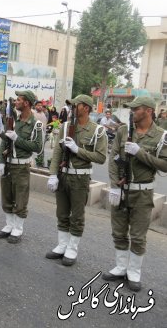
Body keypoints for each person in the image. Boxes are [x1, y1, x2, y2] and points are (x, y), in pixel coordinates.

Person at [102, 97, 167, 292]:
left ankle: (134, 272)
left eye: (135, 109)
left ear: (148, 111)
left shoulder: (161, 136)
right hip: (121, 191)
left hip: (142, 193)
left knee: (138, 236)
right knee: (119, 231)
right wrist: (114, 185)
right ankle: (121, 267)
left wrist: (140, 153)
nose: (132, 112)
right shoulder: (123, 131)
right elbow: (113, 159)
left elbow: (165, 165)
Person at [46, 95, 107, 265]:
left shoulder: (97, 131)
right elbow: (58, 152)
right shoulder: (66, 127)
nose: (72, 108)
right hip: (63, 174)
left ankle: (72, 248)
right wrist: (52, 174)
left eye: (76, 105)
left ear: (86, 108)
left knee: (77, 215)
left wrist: (77, 150)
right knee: (62, 212)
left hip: (80, 177)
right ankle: (62, 245)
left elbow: (101, 157)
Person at [0, 90, 43, 243]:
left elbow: (37, 147)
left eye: (19, 100)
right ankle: (9, 225)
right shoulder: (13, 120)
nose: (16, 102)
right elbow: (4, 142)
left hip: (21, 167)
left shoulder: (36, 124)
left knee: (20, 199)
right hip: (8, 164)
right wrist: (0, 161)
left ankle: (18, 228)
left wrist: (17, 139)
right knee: (6, 196)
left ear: (27, 103)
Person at [33, 100, 48, 167]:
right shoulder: (32, 113)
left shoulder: (44, 114)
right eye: (38, 105)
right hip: (33, 134)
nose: (40, 107)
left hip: (42, 135)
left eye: (41, 106)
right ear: (35, 106)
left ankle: (40, 162)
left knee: (41, 149)